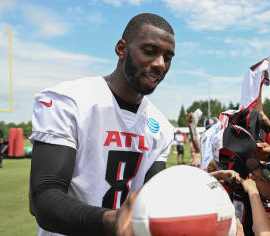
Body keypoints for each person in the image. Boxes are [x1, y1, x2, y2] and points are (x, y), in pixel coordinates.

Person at [29, 13, 175, 236]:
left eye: (168, 58)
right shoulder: (70, 101)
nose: (160, 64)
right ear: (121, 49)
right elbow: (44, 200)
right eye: (150, 51)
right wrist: (110, 220)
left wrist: (192, 187)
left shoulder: (161, 126)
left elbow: (154, 199)